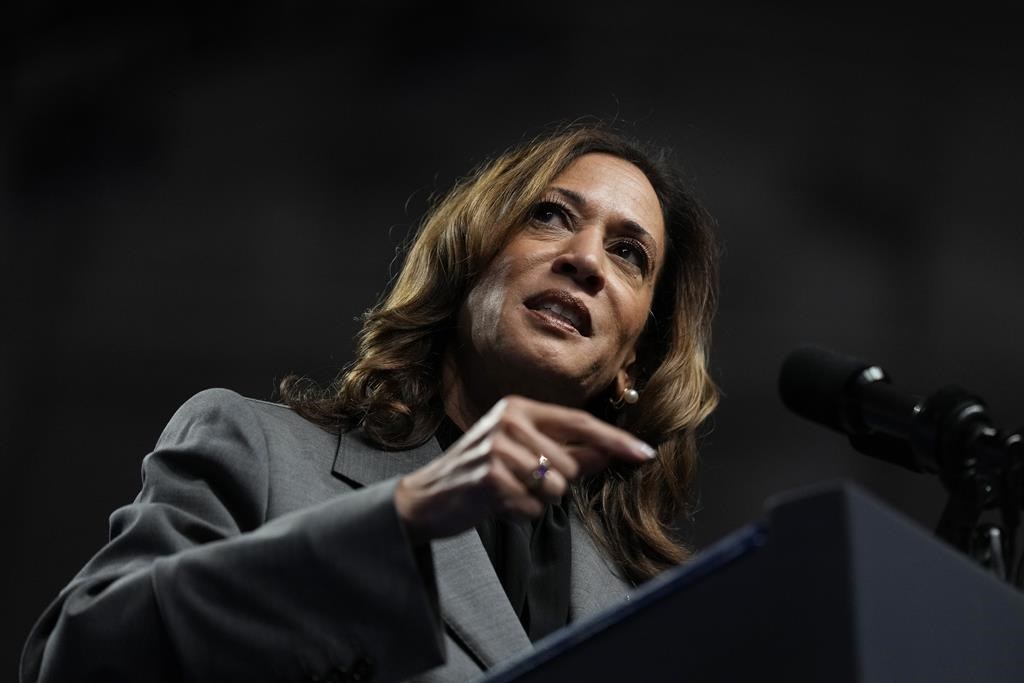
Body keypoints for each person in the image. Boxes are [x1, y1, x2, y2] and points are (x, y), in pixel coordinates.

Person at [20, 122, 720, 683]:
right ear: (470, 260)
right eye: (550, 215)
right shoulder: (257, 449)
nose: (587, 260)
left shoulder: (653, 602)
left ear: (633, 359)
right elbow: (80, 656)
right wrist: (399, 519)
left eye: (629, 253)